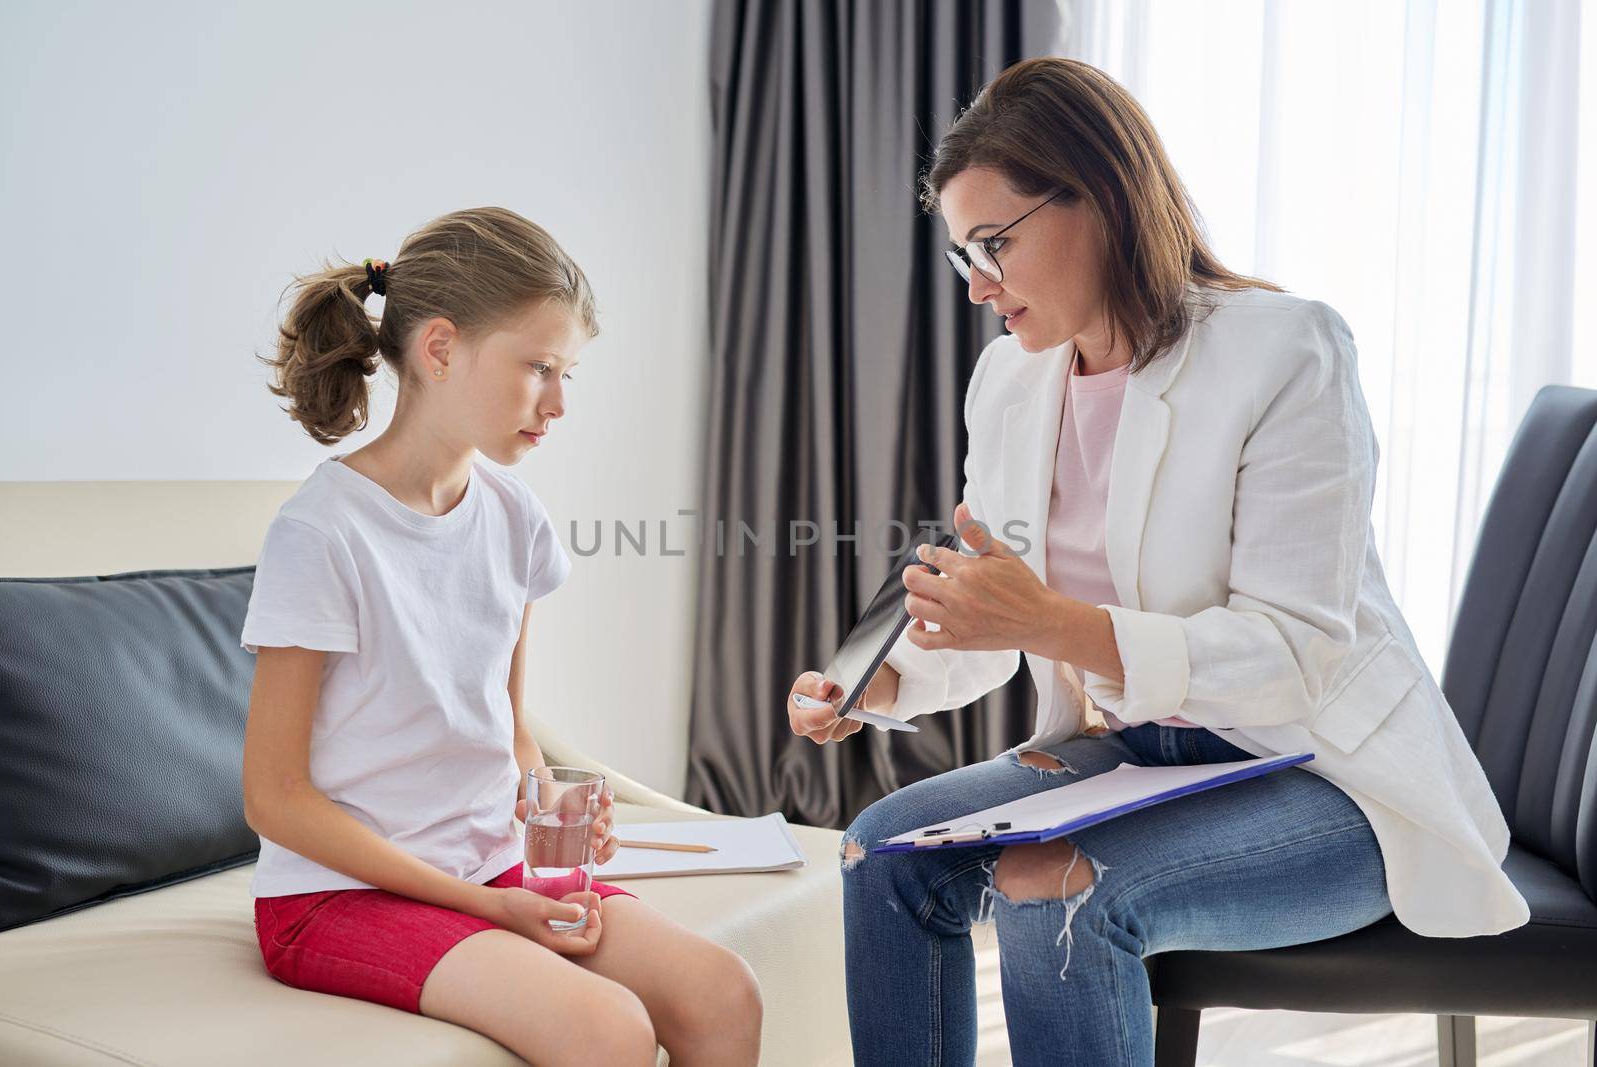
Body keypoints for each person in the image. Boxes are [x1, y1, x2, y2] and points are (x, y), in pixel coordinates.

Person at [785, 58, 1527, 1066]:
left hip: (1326, 776)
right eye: (964, 253)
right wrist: (878, 680)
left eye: (994, 244)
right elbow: (994, 623)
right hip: (1139, 757)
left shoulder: (1286, 352)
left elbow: (1293, 650)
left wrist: (1050, 622)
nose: (976, 286)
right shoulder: (1009, 377)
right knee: (884, 849)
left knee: (1057, 890)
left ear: (1100, 197)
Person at [242, 207, 761, 1066]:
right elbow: (276, 796)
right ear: (440, 349)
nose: (559, 402)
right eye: (539, 368)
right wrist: (482, 904)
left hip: (485, 867)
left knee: (722, 990)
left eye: (570, 374)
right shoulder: (323, 532)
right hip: (336, 895)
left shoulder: (516, 517)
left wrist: (549, 802)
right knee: (609, 1028)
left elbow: (509, 728)